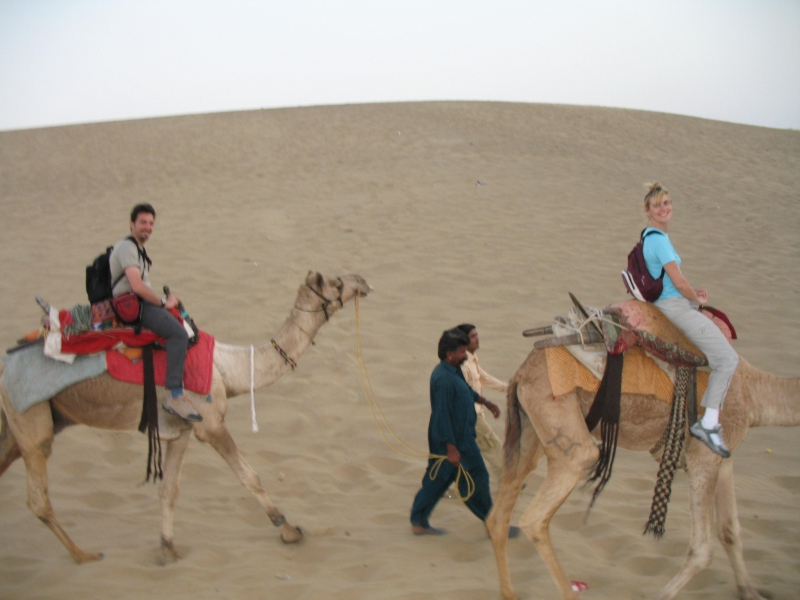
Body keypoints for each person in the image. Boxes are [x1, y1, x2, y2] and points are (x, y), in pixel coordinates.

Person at [641, 182, 738, 457]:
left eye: (667, 202)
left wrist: (693, 295)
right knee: (727, 360)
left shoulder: (652, 237)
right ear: (647, 211)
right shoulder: (659, 240)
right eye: (657, 204)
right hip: (675, 308)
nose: (664, 208)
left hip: (673, 302)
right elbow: (678, 280)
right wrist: (697, 300)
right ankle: (708, 424)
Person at [410, 328, 518, 537]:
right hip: (454, 440)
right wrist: (451, 449)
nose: (464, 355)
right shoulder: (442, 378)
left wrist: (484, 401)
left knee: (438, 481)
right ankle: (492, 524)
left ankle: (418, 521)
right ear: (449, 354)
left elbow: (466, 391)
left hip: (459, 436)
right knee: (478, 476)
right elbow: (442, 415)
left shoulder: (454, 370)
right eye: (461, 352)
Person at [109, 203, 201, 423]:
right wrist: (162, 303)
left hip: (140, 303)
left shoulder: (138, 249)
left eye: (151, 223)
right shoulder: (127, 248)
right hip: (135, 307)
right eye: (143, 222)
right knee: (178, 334)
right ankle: (175, 395)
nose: (148, 227)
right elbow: (137, 286)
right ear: (132, 224)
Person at [455, 323, 508, 483]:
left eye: (476, 334)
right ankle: (509, 482)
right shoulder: (462, 365)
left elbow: (484, 378)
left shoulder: (472, 360)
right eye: (472, 336)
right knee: (493, 446)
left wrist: (510, 389)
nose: (477, 338)